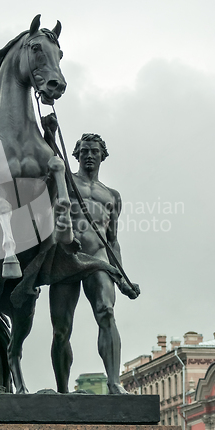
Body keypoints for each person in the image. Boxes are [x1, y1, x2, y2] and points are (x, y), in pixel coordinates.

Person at [48, 132, 140, 394]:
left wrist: (122, 278)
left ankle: (114, 382)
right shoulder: (65, 182)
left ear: (102, 156)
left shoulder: (111, 195)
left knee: (107, 312)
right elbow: (50, 157)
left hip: (99, 259)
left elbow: (112, 240)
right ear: (76, 154)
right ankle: (63, 390)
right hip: (67, 258)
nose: (89, 155)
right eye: (85, 151)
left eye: (94, 151)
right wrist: (51, 132)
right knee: (61, 329)